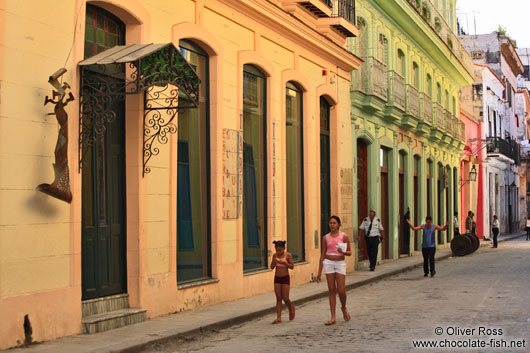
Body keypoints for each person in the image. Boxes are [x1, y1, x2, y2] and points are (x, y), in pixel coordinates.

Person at [317, 216, 351, 326]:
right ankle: (333, 317)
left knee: (341, 290)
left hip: (340, 263)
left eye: (334, 223)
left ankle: (343, 307)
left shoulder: (344, 236)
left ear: (339, 224)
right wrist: (319, 271)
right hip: (328, 263)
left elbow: (349, 252)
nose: (332, 225)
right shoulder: (325, 238)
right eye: (330, 223)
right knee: (331, 289)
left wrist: (344, 252)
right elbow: (322, 254)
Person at [270, 240, 294, 324]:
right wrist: (274, 261)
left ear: (284, 248)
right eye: (277, 250)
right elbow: (271, 267)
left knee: (285, 297)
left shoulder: (288, 256)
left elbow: (292, 267)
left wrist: (285, 263)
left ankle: (290, 308)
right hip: (277, 278)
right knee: (278, 298)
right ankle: (279, 317)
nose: (278, 252)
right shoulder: (274, 256)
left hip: (285, 278)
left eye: (280, 250)